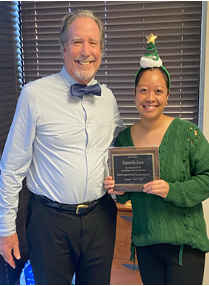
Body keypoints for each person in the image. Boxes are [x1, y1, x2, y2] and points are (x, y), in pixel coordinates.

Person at [0, 10, 124, 285]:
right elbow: (10, 168)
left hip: (100, 217)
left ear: (101, 50)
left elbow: (119, 146)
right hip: (50, 221)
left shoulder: (109, 99)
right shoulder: (34, 95)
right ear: (63, 48)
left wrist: (124, 181)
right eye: (77, 41)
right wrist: (6, 229)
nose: (85, 51)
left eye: (93, 43)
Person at [104, 33, 209, 285]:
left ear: (167, 95)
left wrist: (171, 190)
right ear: (135, 94)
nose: (150, 98)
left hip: (184, 245)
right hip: (146, 242)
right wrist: (118, 190)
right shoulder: (124, 139)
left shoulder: (188, 133)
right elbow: (128, 194)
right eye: (143, 91)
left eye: (158, 91)